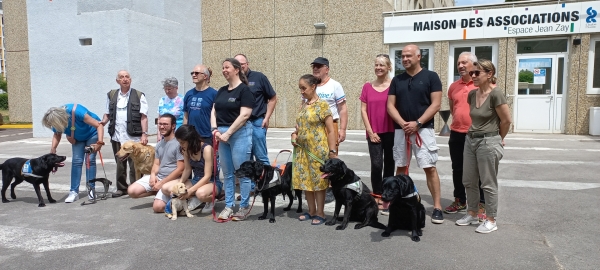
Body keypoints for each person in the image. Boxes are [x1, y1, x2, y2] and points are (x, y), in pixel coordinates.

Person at [386, 44, 444, 224]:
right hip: (401, 130)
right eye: (402, 56)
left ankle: (436, 207)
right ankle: (397, 203)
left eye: (408, 56)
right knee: (401, 168)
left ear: (419, 57)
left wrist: (418, 123)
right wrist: (404, 123)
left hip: (423, 130)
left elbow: (436, 104)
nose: (404, 59)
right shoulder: (397, 79)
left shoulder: (431, 77)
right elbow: (390, 106)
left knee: (429, 167)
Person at [455, 59, 511, 234]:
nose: (473, 76)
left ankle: (491, 219)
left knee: (487, 183)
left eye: (477, 73)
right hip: (470, 139)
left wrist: (498, 138)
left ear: (489, 74)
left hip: (488, 141)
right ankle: (472, 213)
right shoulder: (472, 94)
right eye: (472, 73)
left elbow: (506, 121)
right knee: (469, 180)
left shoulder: (496, 94)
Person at [291, 74, 338, 225]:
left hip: (317, 150)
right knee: (306, 181)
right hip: (302, 150)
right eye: (300, 89)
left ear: (313, 87)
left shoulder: (323, 105)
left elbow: (331, 130)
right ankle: (311, 211)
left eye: (304, 88)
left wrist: (332, 151)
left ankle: (321, 213)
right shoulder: (303, 105)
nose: (302, 91)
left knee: (318, 182)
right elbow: (298, 128)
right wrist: (294, 135)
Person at [211, 58, 254, 221]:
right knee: (227, 173)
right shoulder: (221, 90)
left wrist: (228, 133)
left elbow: (245, 114)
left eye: (227, 67)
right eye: (222, 68)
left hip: (238, 133)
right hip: (221, 134)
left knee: (241, 172)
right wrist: (215, 130)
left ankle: (243, 206)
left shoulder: (244, 90)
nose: (224, 70)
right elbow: (213, 111)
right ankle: (229, 205)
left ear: (237, 70)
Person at [446, 52, 487, 220]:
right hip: (456, 133)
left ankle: (481, 204)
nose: (460, 66)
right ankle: (460, 200)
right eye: (458, 63)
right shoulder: (453, 86)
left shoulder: (481, 85)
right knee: (458, 169)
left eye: (464, 62)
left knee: (480, 171)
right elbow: (452, 108)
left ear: (474, 64)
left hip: (477, 134)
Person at [234, 54, 277, 200]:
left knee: (261, 157)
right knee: (247, 158)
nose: (240, 68)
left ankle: (270, 187)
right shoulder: (235, 81)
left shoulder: (259, 77)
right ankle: (253, 188)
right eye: (237, 65)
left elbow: (272, 97)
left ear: (247, 63)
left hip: (257, 122)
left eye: (242, 64)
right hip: (241, 125)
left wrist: (267, 117)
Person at [100, 70, 149, 198]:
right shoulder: (111, 95)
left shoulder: (139, 95)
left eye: (127, 77)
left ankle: (136, 187)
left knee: (135, 164)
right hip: (117, 135)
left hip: (133, 137)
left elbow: (144, 116)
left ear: (130, 80)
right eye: (121, 77)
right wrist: (101, 123)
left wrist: (144, 134)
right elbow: (107, 114)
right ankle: (121, 188)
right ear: (118, 81)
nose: (125, 79)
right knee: (119, 163)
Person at [42, 104, 104, 203]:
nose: (54, 127)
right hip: (77, 138)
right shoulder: (55, 120)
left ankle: (91, 190)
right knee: (76, 161)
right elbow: (57, 134)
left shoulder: (77, 111)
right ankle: (74, 192)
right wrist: (53, 148)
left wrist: (99, 143)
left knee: (90, 160)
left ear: (60, 119)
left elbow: (99, 125)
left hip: (92, 133)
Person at [359, 54, 395, 215]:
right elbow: (363, 110)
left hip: (392, 131)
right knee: (376, 165)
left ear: (389, 67)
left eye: (382, 65)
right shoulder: (367, 86)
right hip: (373, 132)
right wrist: (370, 131)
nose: (378, 68)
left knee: (389, 164)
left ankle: (387, 197)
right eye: (376, 65)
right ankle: (377, 194)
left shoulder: (394, 85)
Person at [127, 114, 184, 213]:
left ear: (173, 126)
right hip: (160, 177)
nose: (162, 127)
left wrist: (162, 183)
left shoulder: (179, 144)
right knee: (132, 191)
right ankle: (157, 192)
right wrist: (153, 175)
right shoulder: (159, 144)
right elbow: (156, 164)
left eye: (165, 124)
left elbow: (180, 169)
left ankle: (178, 200)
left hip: (173, 180)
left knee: (157, 208)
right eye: (160, 124)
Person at [162, 124, 222, 214]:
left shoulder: (207, 149)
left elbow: (207, 176)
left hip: (211, 181)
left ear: (191, 140)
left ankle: (210, 199)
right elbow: (187, 170)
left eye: (182, 142)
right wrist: (179, 184)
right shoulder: (186, 149)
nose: (180, 145)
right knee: (166, 188)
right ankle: (195, 198)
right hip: (196, 180)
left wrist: (190, 191)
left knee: (200, 194)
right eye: (179, 142)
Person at [311, 57, 347, 203]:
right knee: (314, 158)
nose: (315, 69)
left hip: (331, 125)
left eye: (319, 66)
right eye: (314, 66)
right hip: (313, 127)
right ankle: (316, 186)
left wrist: (343, 129)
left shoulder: (335, 85)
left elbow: (343, 108)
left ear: (327, 69)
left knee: (331, 158)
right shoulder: (311, 85)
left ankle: (331, 188)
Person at [183, 65, 217, 145]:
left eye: (197, 73)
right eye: (192, 73)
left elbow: (216, 115)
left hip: (207, 136)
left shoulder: (214, 94)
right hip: (191, 136)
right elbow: (186, 115)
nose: (193, 75)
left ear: (205, 76)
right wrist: (184, 133)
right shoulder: (189, 94)